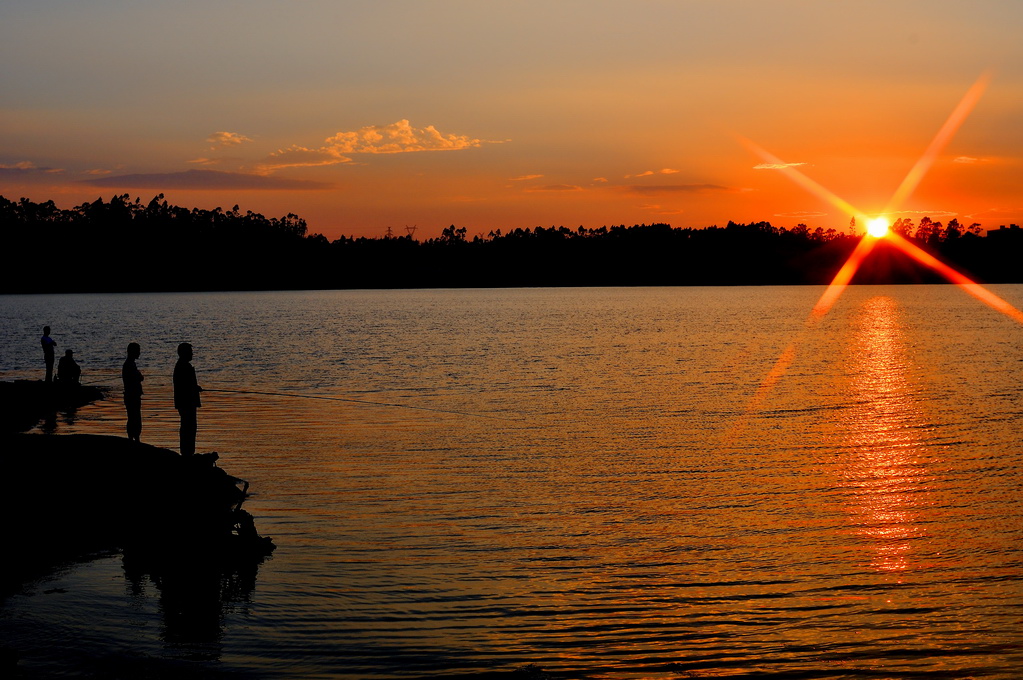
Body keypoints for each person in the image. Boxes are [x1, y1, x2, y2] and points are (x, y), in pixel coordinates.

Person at [173, 342, 203, 456]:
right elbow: (185, 385)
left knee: (188, 427)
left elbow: (187, 384)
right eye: (190, 352)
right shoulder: (184, 366)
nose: (192, 354)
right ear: (184, 353)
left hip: (185, 402)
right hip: (187, 403)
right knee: (189, 428)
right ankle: (187, 452)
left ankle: (187, 452)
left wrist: (195, 387)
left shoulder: (182, 365)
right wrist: (195, 388)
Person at [122, 342, 144, 442]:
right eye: (138, 351)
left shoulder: (130, 364)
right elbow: (137, 378)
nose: (139, 353)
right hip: (132, 395)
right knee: (134, 417)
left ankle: (133, 437)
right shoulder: (129, 364)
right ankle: (134, 438)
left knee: (133, 417)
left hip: (131, 395)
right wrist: (139, 376)